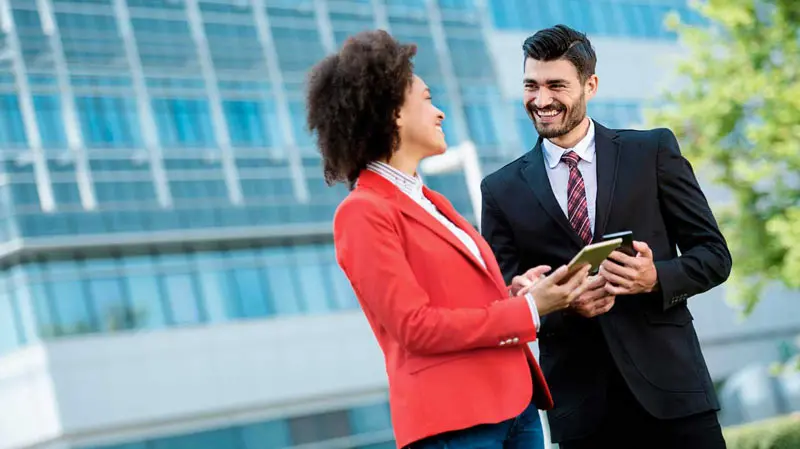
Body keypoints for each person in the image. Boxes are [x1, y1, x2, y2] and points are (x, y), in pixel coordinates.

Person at [307, 30, 593, 449]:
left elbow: (459, 300)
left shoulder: (432, 201)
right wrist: (530, 310)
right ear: (393, 113)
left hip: (513, 406)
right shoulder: (363, 211)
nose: (439, 113)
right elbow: (415, 327)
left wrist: (516, 292)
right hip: (456, 422)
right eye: (426, 99)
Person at [480, 25, 732, 449]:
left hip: (674, 394)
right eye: (531, 86)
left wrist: (654, 278)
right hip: (582, 413)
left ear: (590, 85)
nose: (541, 101)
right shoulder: (500, 190)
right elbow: (505, 301)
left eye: (556, 85)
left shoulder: (651, 152)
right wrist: (561, 306)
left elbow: (714, 255)